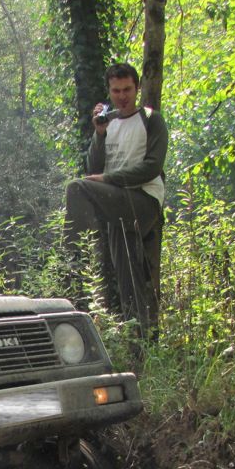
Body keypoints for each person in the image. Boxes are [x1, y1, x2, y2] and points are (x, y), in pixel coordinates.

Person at [65, 62, 167, 333]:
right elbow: (93, 170)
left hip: (143, 201)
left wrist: (109, 179)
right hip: (116, 208)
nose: (122, 96)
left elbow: (152, 167)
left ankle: (72, 262)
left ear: (137, 88)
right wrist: (99, 134)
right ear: (108, 92)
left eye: (127, 89)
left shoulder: (151, 119)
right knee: (129, 281)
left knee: (76, 188)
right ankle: (141, 346)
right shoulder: (107, 124)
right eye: (116, 91)